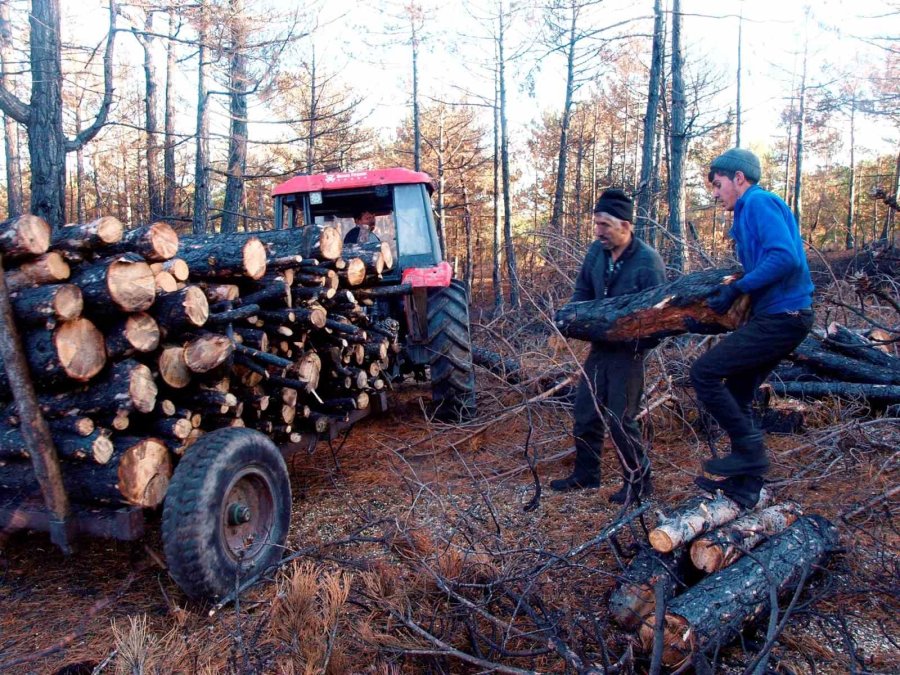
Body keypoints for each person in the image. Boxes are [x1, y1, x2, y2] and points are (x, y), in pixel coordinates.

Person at [691, 148, 814, 508]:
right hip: (776, 317)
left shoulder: (759, 203)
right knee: (740, 392)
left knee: (704, 373)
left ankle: (752, 458)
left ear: (738, 179)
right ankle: (746, 488)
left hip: (785, 317)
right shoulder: (747, 211)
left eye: (717, 185)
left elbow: (784, 257)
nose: (715, 194)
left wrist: (738, 288)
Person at [551, 189, 666, 504]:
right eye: (597, 224)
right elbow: (582, 290)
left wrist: (636, 341)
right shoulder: (596, 253)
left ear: (626, 226)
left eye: (605, 225)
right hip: (601, 346)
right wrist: (572, 318)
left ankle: (639, 483)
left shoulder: (648, 262)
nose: (598, 231)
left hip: (630, 353)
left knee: (620, 418)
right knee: (585, 412)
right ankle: (586, 476)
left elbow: (661, 317)